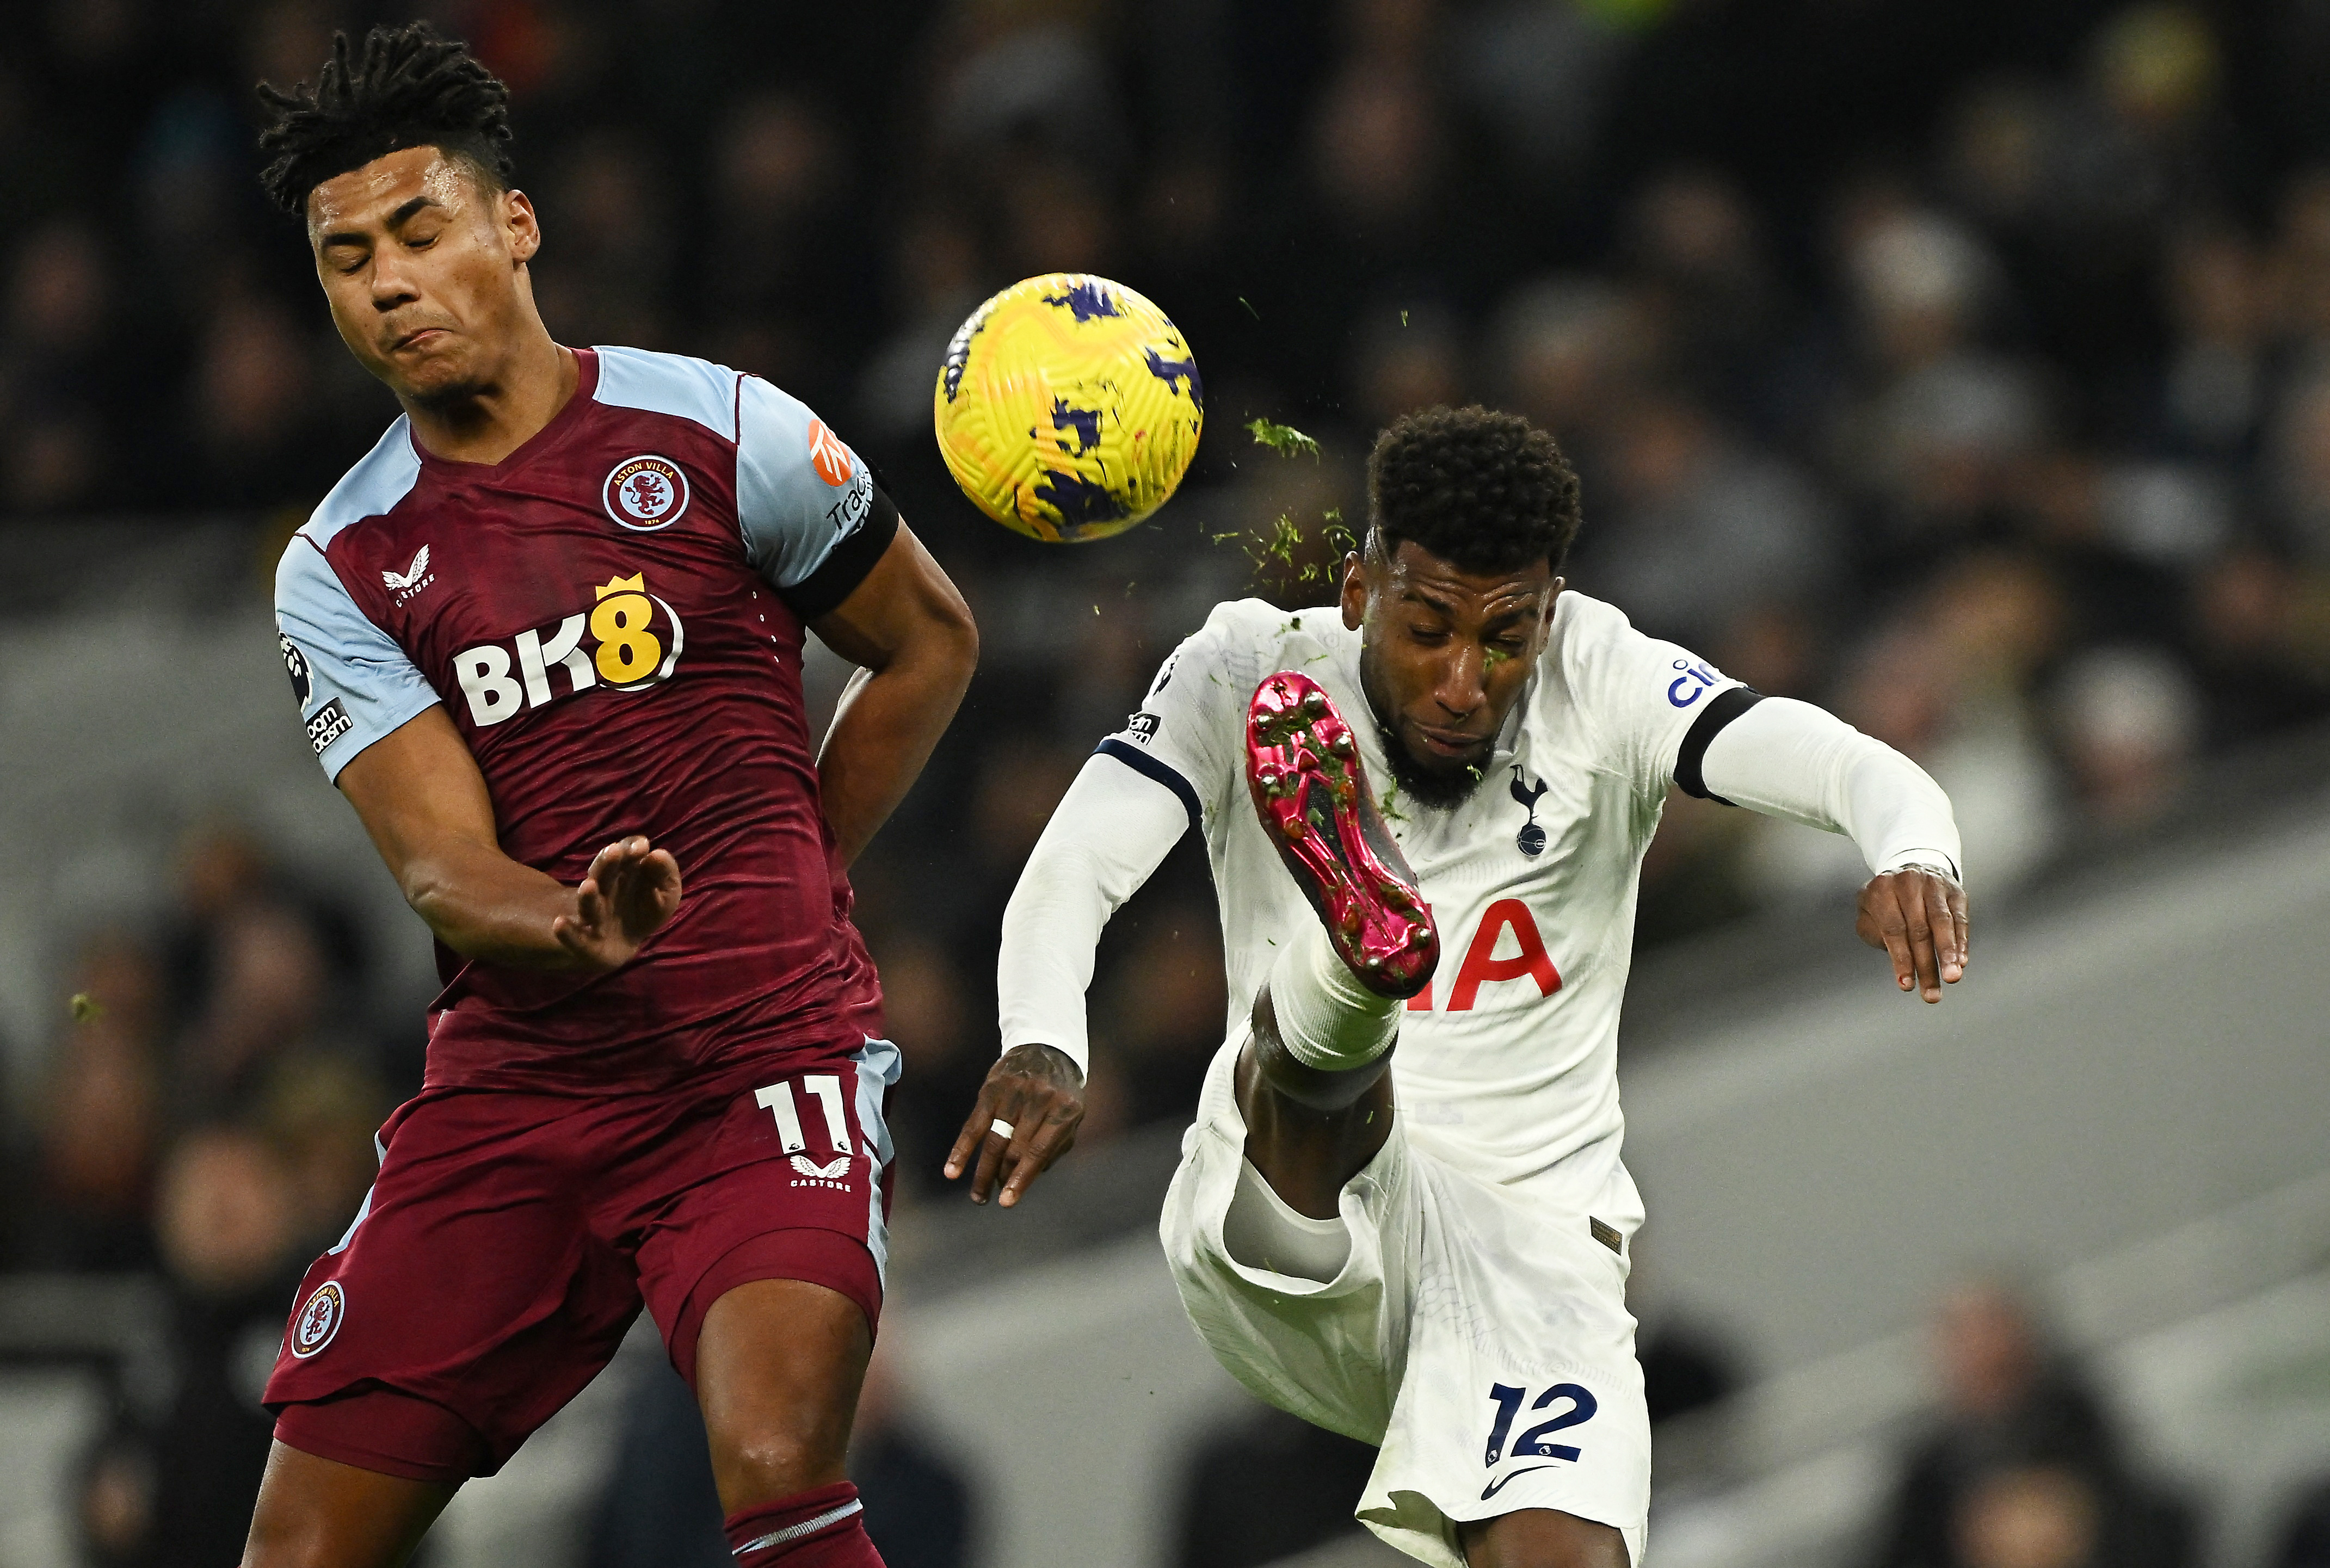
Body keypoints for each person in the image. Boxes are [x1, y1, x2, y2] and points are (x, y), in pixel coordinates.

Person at [960, 405, 1968, 1567]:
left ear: (1548, 613)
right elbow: (1081, 857)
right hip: (1292, 1209)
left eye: (1504, 638)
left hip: (1534, 1261)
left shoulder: (1603, 673)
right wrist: (1042, 1037)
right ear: (1357, 593)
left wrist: (1913, 852)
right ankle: (1355, 960)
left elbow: (1840, 760)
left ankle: (1356, 953)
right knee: (1330, 1081)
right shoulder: (1245, 664)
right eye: (1426, 629)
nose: (1461, 682)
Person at [250, 24, 978, 1568]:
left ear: (513, 226)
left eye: (418, 230)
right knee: (303, 1547)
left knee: (777, 1456)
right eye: (345, 257)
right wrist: (573, 923)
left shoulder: (722, 431)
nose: (386, 280)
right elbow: (442, 868)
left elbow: (925, 642)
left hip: (758, 1057)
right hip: (522, 1092)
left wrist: (801, 858)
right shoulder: (343, 563)